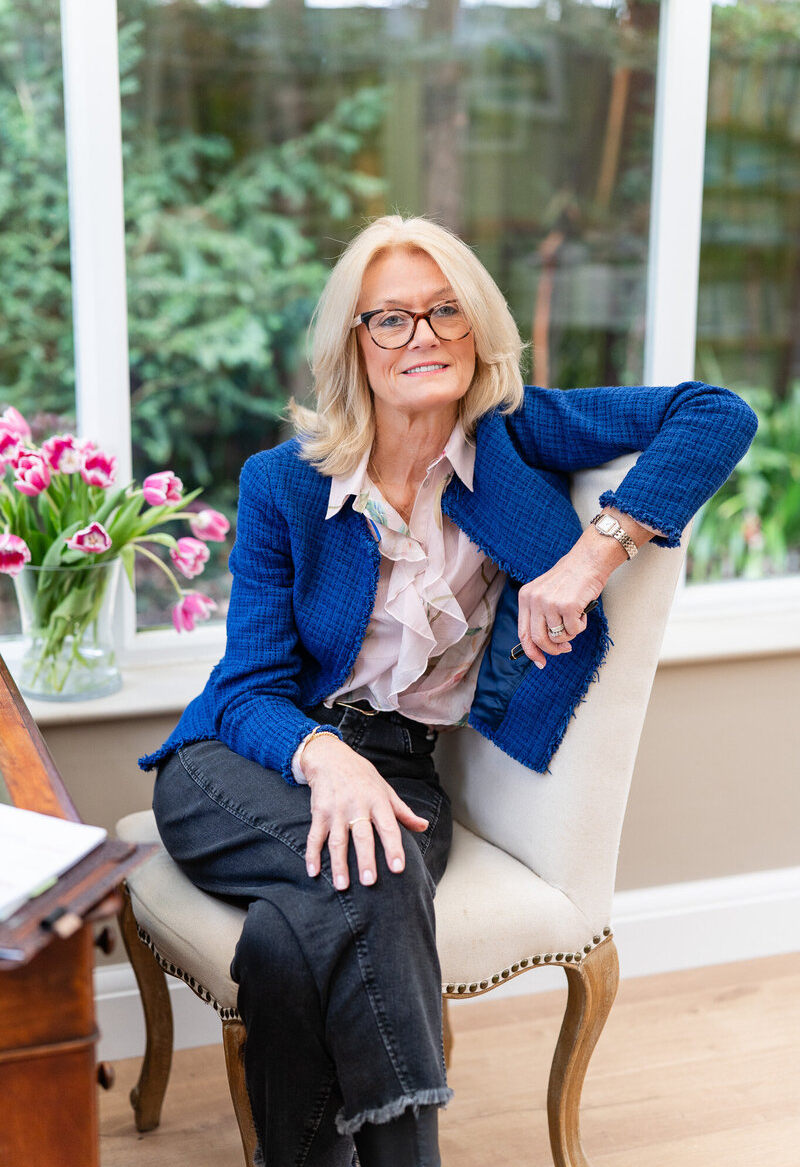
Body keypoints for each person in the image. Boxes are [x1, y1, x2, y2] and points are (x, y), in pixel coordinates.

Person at [141, 215, 757, 1167]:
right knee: (379, 871)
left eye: (443, 312)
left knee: (287, 939)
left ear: (478, 330)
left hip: (400, 767)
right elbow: (248, 686)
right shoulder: (285, 485)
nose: (421, 336)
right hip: (245, 757)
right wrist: (326, 760)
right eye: (390, 319)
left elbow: (718, 413)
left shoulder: (517, 436)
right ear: (355, 344)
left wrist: (594, 557)